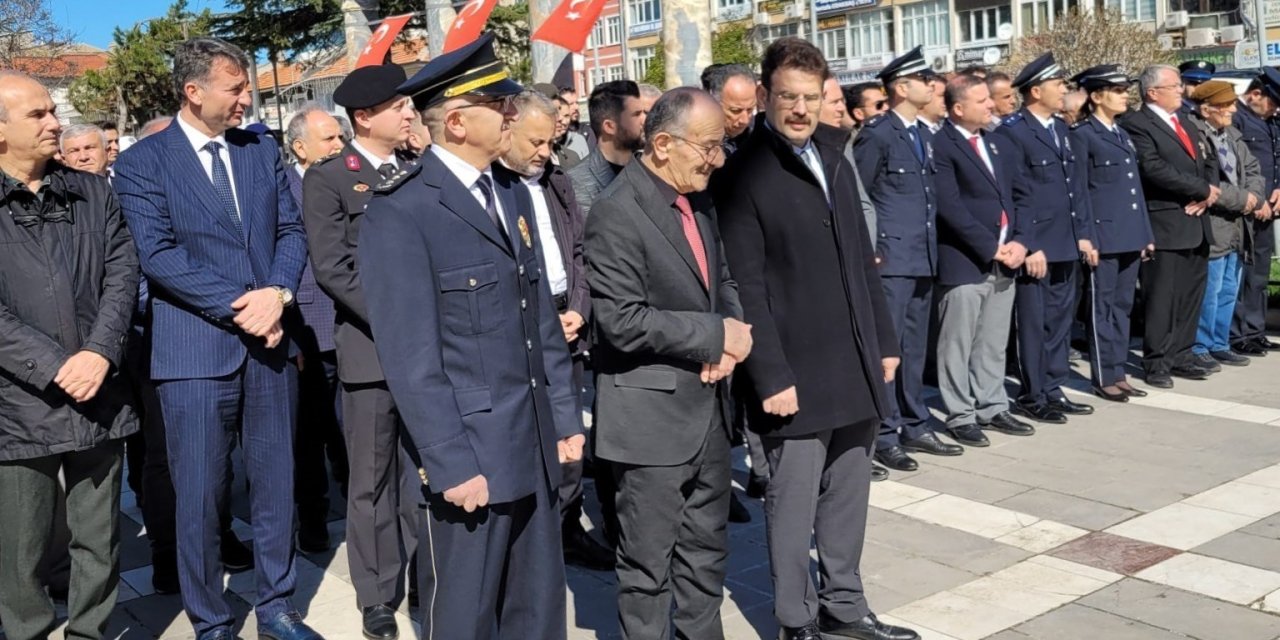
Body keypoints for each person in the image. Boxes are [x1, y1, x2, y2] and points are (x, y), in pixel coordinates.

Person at [359, 33, 584, 639]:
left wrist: (565, 420)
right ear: (457, 121)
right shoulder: (401, 211)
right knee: (464, 617)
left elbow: (540, 322)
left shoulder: (509, 191)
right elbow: (412, 360)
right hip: (471, 457)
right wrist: (451, 463)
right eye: (500, 104)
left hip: (532, 440)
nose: (513, 113)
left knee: (536, 614)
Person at [113, 37, 318, 640]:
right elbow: (158, 256)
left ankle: (278, 606)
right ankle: (210, 619)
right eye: (235, 88)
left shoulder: (260, 149)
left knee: (275, 483)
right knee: (200, 495)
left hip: (271, 343)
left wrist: (276, 294)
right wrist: (243, 306)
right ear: (194, 90)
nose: (245, 99)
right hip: (194, 352)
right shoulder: (143, 162)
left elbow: (290, 229)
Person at [714, 37, 917, 640]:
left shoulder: (833, 152)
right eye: (787, 97)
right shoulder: (744, 171)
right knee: (792, 501)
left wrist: (884, 340)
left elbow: (860, 258)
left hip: (853, 358)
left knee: (849, 493)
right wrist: (769, 376)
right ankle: (796, 620)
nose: (800, 109)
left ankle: (845, 608)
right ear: (765, 96)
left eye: (811, 97)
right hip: (793, 371)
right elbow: (745, 284)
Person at [586, 86, 748, 640]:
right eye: (708, 146)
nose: (717, 158)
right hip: (650, 422)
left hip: (709, 410)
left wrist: (729, 343)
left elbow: (719, 281)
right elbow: (622, 321)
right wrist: (712, 336)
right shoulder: (616, 213)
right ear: (661, 143)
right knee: (647, 567)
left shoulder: (698, 198)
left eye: (721, 145)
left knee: (706, 554)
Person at [0, 69, 139, 640]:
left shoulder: (92, 191)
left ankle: (91, 633)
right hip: (18, 408)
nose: (55, 123)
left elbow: (122, 274)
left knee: (99, 541)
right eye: (38, 115)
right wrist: (58, 364)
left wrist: (100, 353)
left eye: (51, 111)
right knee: (20, 554)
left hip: (99, 398)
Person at [301, 64, 420, 640]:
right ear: (365, 116)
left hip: (427, 352)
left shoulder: (416, 170)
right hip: (372, 350)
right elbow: (333, 269)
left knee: (423, 471)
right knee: (371, 479)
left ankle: (425, 570)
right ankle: (377, 593)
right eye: (399, 107)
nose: (409, 113)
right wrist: (401, 319)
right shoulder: (329, 178)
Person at [494, 90, 613, 572]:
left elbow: (581, 253)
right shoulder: (495, 188)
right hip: (524, 331)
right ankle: (531, 541)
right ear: (508, 132)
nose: (546, 151)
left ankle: (567, 529)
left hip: (567, 321)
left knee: (569, 442)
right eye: (536, 141)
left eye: (552, 140)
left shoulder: (558, 182)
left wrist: (580, 310)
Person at [854, 46, 962, 479]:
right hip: (892, 258)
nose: (931, 85)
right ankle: (883, 434)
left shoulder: (923, 134)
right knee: (889, 349)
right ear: (902, 87)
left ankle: (915, 422)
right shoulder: (878, 134)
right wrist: (870, 249)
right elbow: (859, 195)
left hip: (922, 255)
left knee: (915, 348)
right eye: (923, 80)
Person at [992, 52, 1094, 425]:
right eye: (1057, 85)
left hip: (1065, 239)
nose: (1063, 90)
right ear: (1035, 91)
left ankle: (1053, 386)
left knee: (1060, 320)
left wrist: (1083, 234)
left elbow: (1075, 189)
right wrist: (1030, 243)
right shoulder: (1013, 132)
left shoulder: (1061, 129)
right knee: (1034, 323)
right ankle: (1032, 393)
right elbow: (1015, 193)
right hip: (1038, 244)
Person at [932, 72, 1033, 448]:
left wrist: (1021, 242)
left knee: (992, 341)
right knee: (957, 343)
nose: (992, 105)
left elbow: (1021, 194)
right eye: (982, 101)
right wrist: (990, 246)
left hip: (1007, 259)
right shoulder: (941, 146)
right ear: (958, 109)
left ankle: (993, 405)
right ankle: (961, 414)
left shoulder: (997, 143)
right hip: (966, 261)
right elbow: (950, 206)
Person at [1121, 64, 1220, 388]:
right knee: (1162, 296)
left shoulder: (1185, 123)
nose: (1182, 90)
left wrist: (1209, 193)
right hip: (1165, 221)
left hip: (1196, 220)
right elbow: (1152, 167)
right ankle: (1157, 361)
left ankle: (1182, 353)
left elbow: (1208, 161)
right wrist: (1199, 189)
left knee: (1191, 294)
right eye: (1175, 85)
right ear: (1153, 92)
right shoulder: (1137, 124)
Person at [282, 103, 349, 557]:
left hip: (354, 323)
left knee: (353, 429)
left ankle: (361, 511)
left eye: (340, 138)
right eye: (329, 139)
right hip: (307, 327)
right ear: (299, 146)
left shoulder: (349, 179)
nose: (338, 147)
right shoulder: (281, 189)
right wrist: (288, 334)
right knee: (308, 433)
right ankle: (313, 517)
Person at [1067, 65, 1155, 402]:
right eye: (1117, 90)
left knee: (1122, 307)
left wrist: (1144, 232)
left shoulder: (1120, 133)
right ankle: (1103, 375)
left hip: (1129, 234)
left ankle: (1118, 370)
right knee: (1100, 308)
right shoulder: (1082, 135)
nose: (1124, 94)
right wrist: (1085, 236)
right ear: (1095, 96)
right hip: (1102, 237)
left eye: (1124, 89)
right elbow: (1080, 192)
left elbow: (1134, 190)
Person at [1188, 80, 1267, 371]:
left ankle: (1220, 343)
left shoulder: (1231, 133)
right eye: (1226, 105)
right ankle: (1200, 345)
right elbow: (1207, 182)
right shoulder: (1194, 132)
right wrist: (1242, 198)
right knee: (1211, 289)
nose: (1233, 109)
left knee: (1228, 288)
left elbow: (1254, 170)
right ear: (1207, 108)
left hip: (1237, 224)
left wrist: (1255, 198)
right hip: (1215, 222)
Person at [1231, 69, 1280, 355]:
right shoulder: (1237, 118)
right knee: (1242, 272)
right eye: (1271, 101)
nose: (1274, 108)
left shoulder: (1271, 121)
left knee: (1260, 272)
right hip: (1246, 208)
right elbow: (1235, 168)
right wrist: (1256, 198)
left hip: (1268, 208)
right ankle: (1238, 335)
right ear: (1255, 94)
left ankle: (1255, 329)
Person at [567, 80, 646, 216]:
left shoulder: (646, 169)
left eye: (644, 113)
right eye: (636, 115)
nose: (644, 120)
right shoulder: (579, 183)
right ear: (609, 126)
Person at [703, 64, 757, 155]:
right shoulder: (694, 139)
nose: (745, 120)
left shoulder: (758, 135)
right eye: (735, 110)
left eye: (750, 110)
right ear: (714, 102)